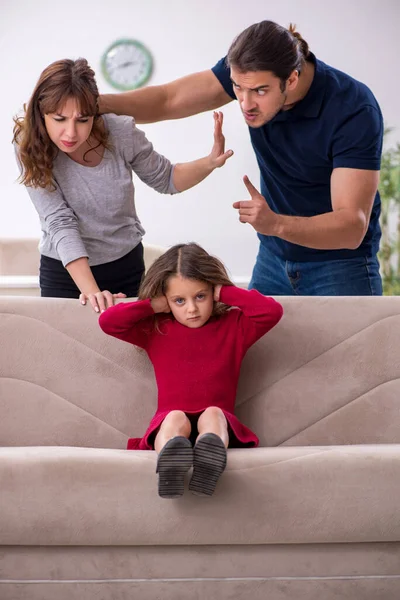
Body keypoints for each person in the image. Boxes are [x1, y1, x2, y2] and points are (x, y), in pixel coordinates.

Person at [99, 20, 384, 296]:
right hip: (273, 258)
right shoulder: (249, 74)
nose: (246, 104)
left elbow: (351, 227)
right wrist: (92, 104)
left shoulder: (353, 109)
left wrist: (275, 224)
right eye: (237, 88)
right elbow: (168, 100)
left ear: (292, 79)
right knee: (254, 345)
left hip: (341, 266)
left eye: (260, 91)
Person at [13, 58, 233, 313]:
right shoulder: (27, 144)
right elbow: (58, 220)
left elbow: (166, 178)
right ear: (42, 114)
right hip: (64, 272)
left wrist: (209, 162)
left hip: (125, 266)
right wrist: (92, 291)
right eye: (60, 119)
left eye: (82, 120)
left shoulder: (119, 132)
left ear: (94, 113)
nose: (71, 133)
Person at [99, 242, 283, 498]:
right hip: (169, 421)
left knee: (214, 414)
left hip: (219, 423)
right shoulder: (156, 329)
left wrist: (226, 293)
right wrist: (152, 306)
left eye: (200, 296)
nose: (192, 309)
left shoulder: (235, 327)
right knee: (175, 418)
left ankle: (210, 459)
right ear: (166, 301)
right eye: (179, 300)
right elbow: (108, 323)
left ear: (213, 291)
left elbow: (271, 312)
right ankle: (170, 464)